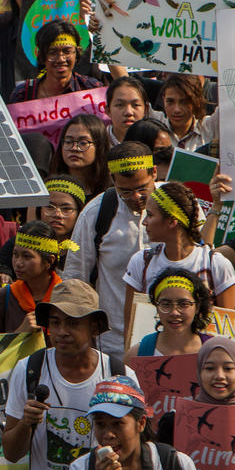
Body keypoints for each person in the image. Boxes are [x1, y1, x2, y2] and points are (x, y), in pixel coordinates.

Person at [2, 279, 136, 470]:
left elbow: (133, 454)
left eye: (73, 323)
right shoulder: (29, 369)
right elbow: (11, 454)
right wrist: (26, 423)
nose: (62, 332)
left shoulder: (120, 376)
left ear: (94, 327)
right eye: (55, 322)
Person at [64, 142, 157, 360]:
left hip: (169, 341)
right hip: (112, 344)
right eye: (125, 191)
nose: (135, 198)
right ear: (112, 178)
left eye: (142, 188)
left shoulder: (177, 205)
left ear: (154, 173)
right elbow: (75, 279)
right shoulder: (95, 214)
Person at [67, 376, 207, 470]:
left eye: (117, 423)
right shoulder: (83, 469)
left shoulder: (176, 464)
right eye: (100, 424)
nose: (108, 434)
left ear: (141, 423)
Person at [122, 182, 235, 332]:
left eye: (150, 215)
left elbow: (228, 331)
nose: (144, 222)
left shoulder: (217, 264)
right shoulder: (140, 262)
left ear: (172, 221)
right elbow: (131, 327)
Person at [0, 220, 71, 333]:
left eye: (27, 256)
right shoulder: (3, 298)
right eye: (15, 254)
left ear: (49, 261)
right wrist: (21, 333)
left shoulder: (68, 297)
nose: (18, 263)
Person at [9, 20, 103, 103]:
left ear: (77, 53)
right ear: (41, 55)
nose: (61, 59)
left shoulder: (91, 88)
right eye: (53, 52)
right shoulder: (23, 93)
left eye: (67, 51)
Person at [132, 269, 213, 357]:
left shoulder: (214, 352)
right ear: (156, 307)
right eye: (166, 304)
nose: (174, 312)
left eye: (183, 304)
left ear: (197, 307)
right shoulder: (138, 353)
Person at [49, 115, 111, 199]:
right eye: (68, 142)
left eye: (83, 143)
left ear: (100, 147)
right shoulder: (48, 189)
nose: (74, 148)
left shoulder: (112, 191)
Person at [159, 74, 217, 150]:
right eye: (170, 101)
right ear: (163, 100)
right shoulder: (155, 127)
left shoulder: (209, 128)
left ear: (197, 102)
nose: (177, 110)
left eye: (184, 102)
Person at [105, 77, 153, 146]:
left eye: (135, 105)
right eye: (120, 105)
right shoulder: (97, 143)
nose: (128, 112)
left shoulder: (155, 143)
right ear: (108, 110)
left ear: (145, 109)